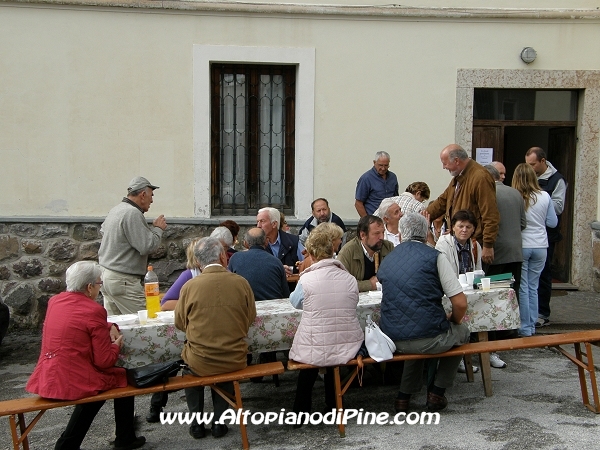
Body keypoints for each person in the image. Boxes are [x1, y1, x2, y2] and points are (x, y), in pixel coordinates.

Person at [26, 261, 145, 450]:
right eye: (99, 283)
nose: (100, 287)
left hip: (48, 374)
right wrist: (116, 346)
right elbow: (104, 361)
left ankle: (73, 443)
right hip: (72, 378)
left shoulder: (55, 301)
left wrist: (109, 326)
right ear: (89, 287)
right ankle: (122, 437)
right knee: (121, 376)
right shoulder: (94, 310)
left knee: (112, 381)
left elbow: (77, 321)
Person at [378, 213, 470, 413]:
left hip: (391, 337)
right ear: (426, 232)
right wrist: (453, 320)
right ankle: (437, 392)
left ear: (401, 233)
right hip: (425, 336)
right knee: (461, 332)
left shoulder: (388, 258)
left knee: (415, 333)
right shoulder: (435, 256)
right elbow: (460, 303)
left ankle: (403, 396)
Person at [175, 237, 256, 440]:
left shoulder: (190, 286)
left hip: (200, 361)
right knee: (226, 357)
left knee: (189, 366)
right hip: (234, 358)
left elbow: (179, 323)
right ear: (222, 256)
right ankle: (220, 422)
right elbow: (250, 318)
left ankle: (196, 423)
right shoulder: (241, 282)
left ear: (198, 261)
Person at [288, 223, 364, 418]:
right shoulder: (349, 278)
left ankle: (300, 412)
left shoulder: (306, 280)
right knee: (333, 363)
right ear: (333, 250)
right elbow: (353, 302)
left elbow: (295, 303)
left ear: (312, 254)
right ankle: (333, 407)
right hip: (346, 342)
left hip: (314, 342)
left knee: (309, 365)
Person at [145, 237, 203, 423]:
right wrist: (195, 304)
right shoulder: (189, 275)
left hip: (204, 333)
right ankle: (157, 405)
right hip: (188, 330)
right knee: (171, 358)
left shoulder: (221, 273)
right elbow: (166, 303)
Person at [481, 164, 527, 369]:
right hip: (515, 252)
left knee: (491, 300)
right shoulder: (516, 193)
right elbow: (523, 224)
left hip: (495, 254)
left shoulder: (487, 194)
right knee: (509, 296)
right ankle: (505, 337)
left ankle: (491, 344)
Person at [99, 176, 167, 315]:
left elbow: (103, 232)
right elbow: (146, 246)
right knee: (146, 323)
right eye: (151, 196)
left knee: (116, 328)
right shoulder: (132, 213)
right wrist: (158, 229)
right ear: (143, 195)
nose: (152, 200)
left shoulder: (116, 210)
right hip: (123, 281)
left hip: (107, 276)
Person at [426, 144, 500, 266]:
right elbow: (442, 202)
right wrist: (421, 218)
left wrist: (488, 244)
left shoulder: (480, 177)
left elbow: (490, 214)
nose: (444, 167)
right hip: (461, 242)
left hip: (475, 243)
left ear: (456, 160)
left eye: (445, 163)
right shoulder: (459, 176)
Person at [512, 163, 558, 337]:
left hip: (523, 244)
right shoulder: (545, 196)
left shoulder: (516, 196)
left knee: (523, 287)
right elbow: (552, 223)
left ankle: (525, 326)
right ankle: (532, 324)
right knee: (534, 286)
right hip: (541, 245)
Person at [525, 147, 567, 328]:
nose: (530, 168)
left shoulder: (557, 180)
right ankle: (529, 314)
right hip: (531, 238)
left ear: (543, 161)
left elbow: (558, 208)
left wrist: (540, 199)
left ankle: (542, 313)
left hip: (546, 237)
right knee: (528, 280)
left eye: (533, 164)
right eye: (528, 165)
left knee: (542, 275)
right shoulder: (529, 176)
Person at [228, 228, 290, 301]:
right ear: (266, 242)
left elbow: (230, 288)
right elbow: (286, 295)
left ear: (245, 243)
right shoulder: (276, 262)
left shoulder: (235, 258)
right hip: (272, 307)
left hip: (245, 308)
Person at [337, 215, 394, 292]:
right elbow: (341, 284)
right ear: (363, 235)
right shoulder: (348, 252)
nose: (381, 237)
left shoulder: (388, 247)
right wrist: (370, 284)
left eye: (383, 232)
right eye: (376, 233)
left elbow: (396, 277)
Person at [256, 207, 304, 277]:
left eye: (262, 221)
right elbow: (254, 268)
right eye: (257, 222)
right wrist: (278, 270)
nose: (258, 226)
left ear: (274, 224)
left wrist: (299, 267)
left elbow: (308, 262)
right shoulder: (256, 244)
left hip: (291, 286)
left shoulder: (293, 241)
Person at [435, 210, 482, 277]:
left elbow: (478, 273)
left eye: (468, 227)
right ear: (453, 227)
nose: (464, 230)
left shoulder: (476, 245)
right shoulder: (443, 244)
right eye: (461, 226)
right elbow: (442, 273)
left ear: (473, 229)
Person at [355, 151, 399, 217]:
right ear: (374, 163)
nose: (383, 168)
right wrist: (367, 221)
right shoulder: (366, 178)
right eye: (380, 165)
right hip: (374, 219)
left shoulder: (393, 177)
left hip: (390, 219)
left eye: (386, 165)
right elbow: (358, 203)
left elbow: (396, 198)